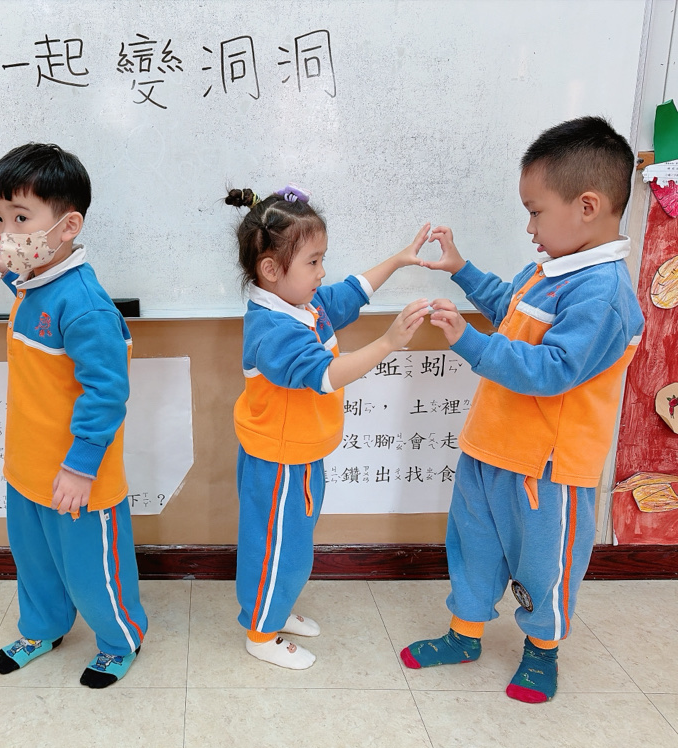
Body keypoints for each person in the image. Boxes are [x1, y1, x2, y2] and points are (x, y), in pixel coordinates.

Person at [400, 116, 645, 703]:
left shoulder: (604, 295)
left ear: (587, 207)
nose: (529, 227)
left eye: (535, 212)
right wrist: (462, 271)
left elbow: (552, 370)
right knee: (473, 548)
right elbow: (510, 307)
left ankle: (541, 651)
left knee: (544, 564)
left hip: (547, 470)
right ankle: (464, 634)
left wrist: (468, 342)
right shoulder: (552, 269)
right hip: (490, 448)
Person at [225, 184, 431, 668]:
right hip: (279, 460)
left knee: (292, 545)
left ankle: (274, 610)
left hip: (300, 453)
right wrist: (388, 343)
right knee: (278, 549)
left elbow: (353, 291)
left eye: (322, 260)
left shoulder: (303, 303)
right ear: (271, 270)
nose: (322, 273)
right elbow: (326, 375)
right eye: (313, 262)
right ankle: (261, 632)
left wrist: (399, 259)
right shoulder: (274, 330)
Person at [0, 143, 147, 689]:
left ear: (68, 226)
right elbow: (34, 296)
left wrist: (80, 467)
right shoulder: (35, 283)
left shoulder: (87, 306)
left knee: (93, 571)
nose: (6, 233)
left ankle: (119, 640)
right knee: (36, 565)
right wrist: (5, 271)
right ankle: (43, 628)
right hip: (26, 469)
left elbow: (106, 393)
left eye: (20, 219)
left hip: (77, 478)